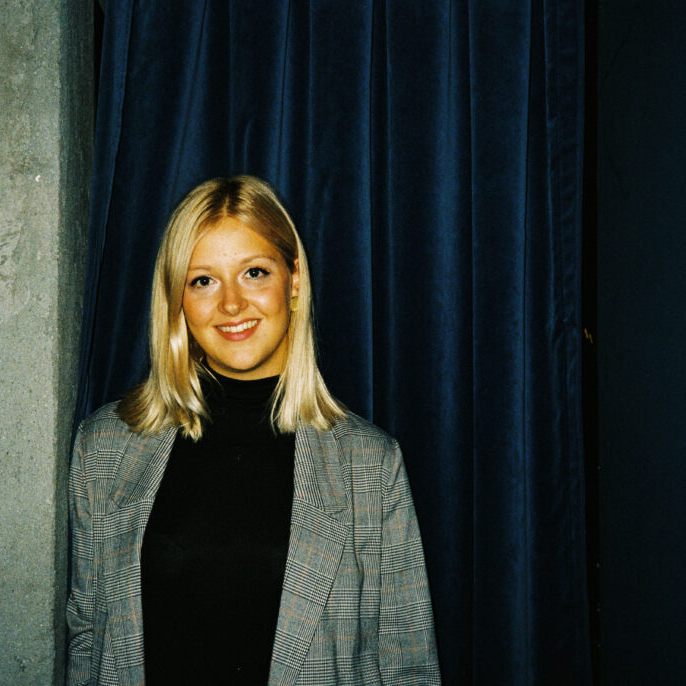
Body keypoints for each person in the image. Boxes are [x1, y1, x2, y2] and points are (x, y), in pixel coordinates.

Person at [66, 176, 441, 686]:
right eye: (203, 280)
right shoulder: (104, 447)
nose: (232, 304)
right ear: (177, 299)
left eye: (254, 272)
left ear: (294, 280)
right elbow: (88, 640)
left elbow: (408, 667)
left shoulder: (370, 465)